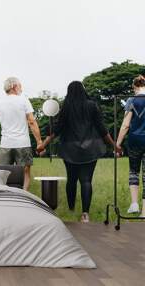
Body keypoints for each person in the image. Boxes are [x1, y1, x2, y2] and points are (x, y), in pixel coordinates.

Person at [37, 81, 115, 223]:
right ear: (83, 90)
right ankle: (85, 214)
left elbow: (57, 129)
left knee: (71, 180)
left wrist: (43, 144)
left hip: (69, 149)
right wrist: (114, 145)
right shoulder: (92, 105)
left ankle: (71, 208)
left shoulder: (66, 107)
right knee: (86, 181)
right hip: (91, 148)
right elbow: (101, 128)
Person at [0, 77, 42, 191]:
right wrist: (39, 142)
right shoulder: (24, 100)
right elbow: (32, 122)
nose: (21, 88)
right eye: (20, 85)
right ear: (13, 86)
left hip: (5, 144)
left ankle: (4, 196)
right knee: (25, 173)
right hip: (23, 143)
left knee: (2, 174)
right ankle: (23, 195)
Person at [116, 75, 145, 216]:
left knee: (134, 171)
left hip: (134, 141)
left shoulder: (132, 100)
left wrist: (117, 144)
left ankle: (134, 204)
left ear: (134, 87)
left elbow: (126, 125)